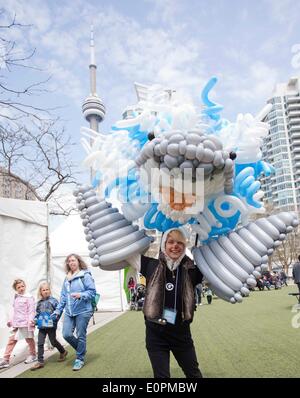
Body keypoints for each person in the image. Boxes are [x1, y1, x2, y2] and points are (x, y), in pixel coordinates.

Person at [130, 228, 203, 378]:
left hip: (181, 334)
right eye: (170, 242)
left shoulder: (193, 270)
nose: (175, 246)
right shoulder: (150, 265)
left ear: (184, 246)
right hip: (155, 333)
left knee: (193, 373)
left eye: (180, 243)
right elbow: (126, 254)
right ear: (163, 244)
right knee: (161, 377)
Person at [52, 254, 96, 371]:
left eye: (73, 260)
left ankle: (79, 359)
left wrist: (81, 295)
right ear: (68, 264)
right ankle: (81, 349)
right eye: (69, 261)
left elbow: (92, 292)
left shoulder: (85, 275)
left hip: (83, 311)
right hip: (69, 312)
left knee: (81, 335)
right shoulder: (66, 278)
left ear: (78, 261)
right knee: (66, 334)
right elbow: (63, 297)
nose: (71, 262)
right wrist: (57, 311)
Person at [30, 282, 68, 370]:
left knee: (53, 341)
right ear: (41, 292)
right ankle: (40, 361)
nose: (46, 291)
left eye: (47, 289)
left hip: (51, 326)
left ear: (50, 290)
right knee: (40, 343)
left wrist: (55, 320)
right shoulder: (39, 303)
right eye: (43, 290)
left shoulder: (54, 301)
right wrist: (35, 321)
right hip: (42, 327)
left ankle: (63, 351)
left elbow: (59, 310)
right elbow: (38, 314)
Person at [0, 279, 37, 369]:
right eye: (18, 287)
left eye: (22, 286)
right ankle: (5, 359)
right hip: (17, 324)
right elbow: (14, 311)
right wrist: (11, 320)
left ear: (25, 286)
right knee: (11, 340)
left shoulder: (29, 297)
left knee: (29, 340)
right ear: (16, 289)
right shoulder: (16, 297)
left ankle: (33, 355)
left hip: (26, 323)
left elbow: (31, 311)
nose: (21, 288)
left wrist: (31, 321)